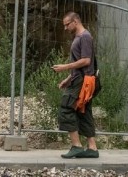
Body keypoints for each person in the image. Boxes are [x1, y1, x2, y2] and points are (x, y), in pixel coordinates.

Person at [52, 11, 99, 159]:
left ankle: (76, 145)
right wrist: (68, 78)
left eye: (67, 24)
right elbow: (82, 64)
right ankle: (92, 148)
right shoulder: (80, 37)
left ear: (75, 22)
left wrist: (65, 67)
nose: (65, 28)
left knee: (66, 108)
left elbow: (86, 61)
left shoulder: (84, 37)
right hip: (80, 78)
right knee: (83, 111)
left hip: (83, 81)